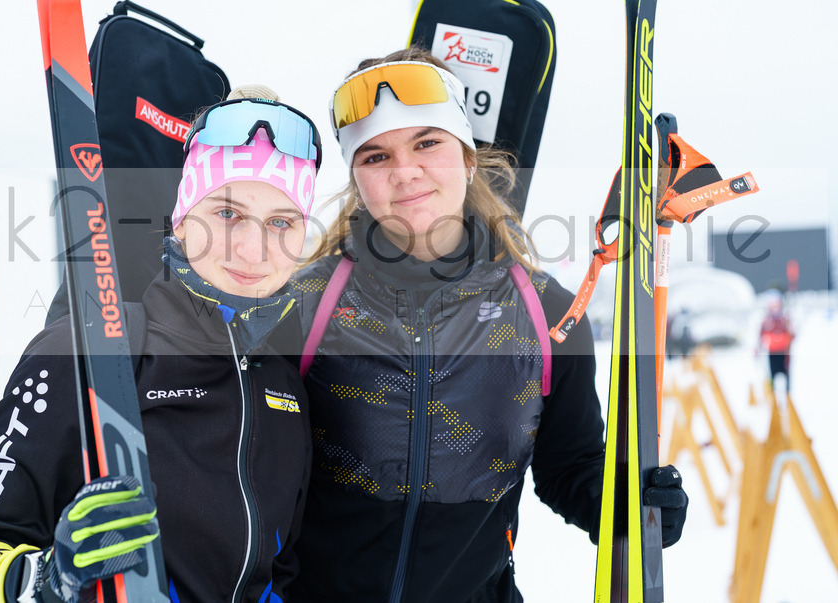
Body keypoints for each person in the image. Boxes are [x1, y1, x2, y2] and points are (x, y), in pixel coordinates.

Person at [289, 48, 688, 602]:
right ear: (357, 179)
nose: (405, 172)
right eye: (375, 157)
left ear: (469, 157)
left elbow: (569, 466)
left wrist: (625, 505)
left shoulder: (547, 315)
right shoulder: (303, 306)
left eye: (427, 142)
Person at [0, 87, 321, 603]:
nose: (254, 248)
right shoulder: (89, 349)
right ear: (183, 221)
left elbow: (282, 572)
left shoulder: (285, 388)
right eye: (228, 213)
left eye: (280, 222)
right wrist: (48, 579)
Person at [760, 290, 794, 392]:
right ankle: (772, 393)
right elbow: (761, 334)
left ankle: (787, 394)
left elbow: (792, 334)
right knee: (772, 374)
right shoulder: (767, 320)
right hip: (772, 351)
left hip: (784, 352)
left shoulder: (784, 319)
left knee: (786, 374)